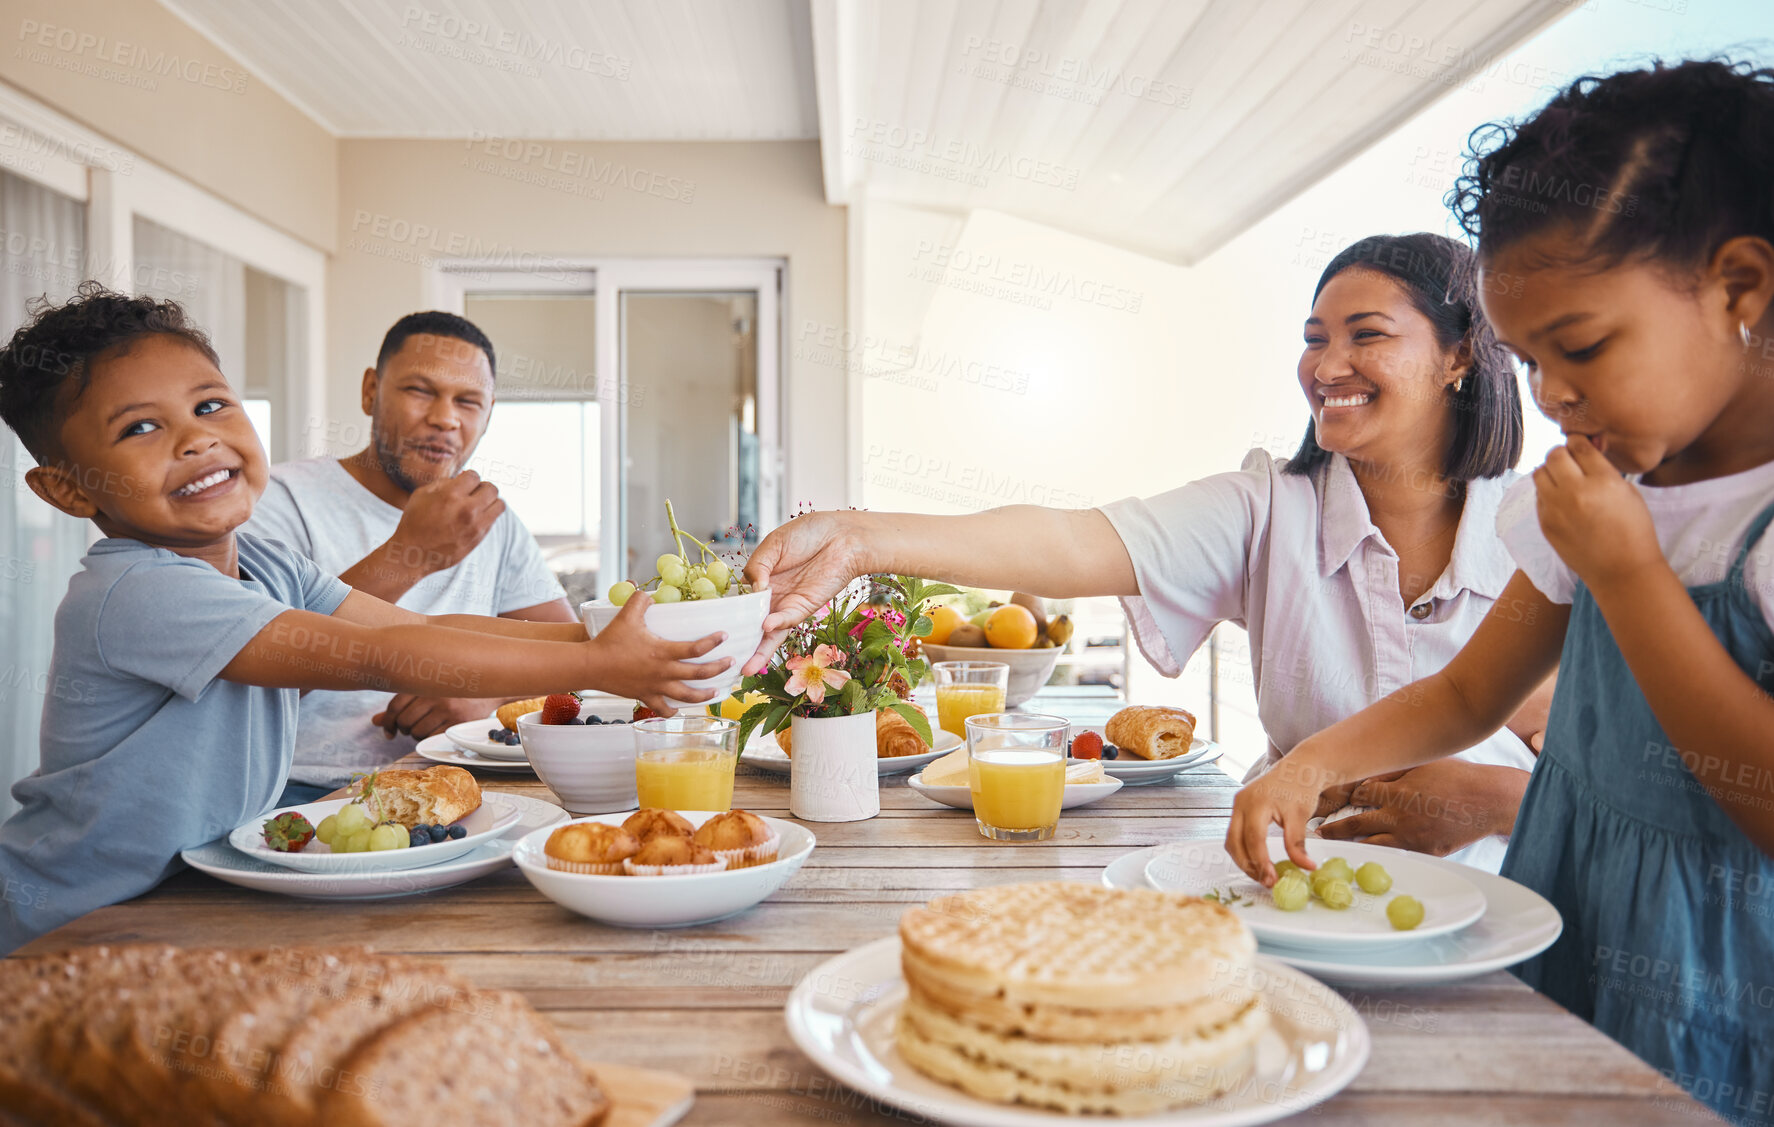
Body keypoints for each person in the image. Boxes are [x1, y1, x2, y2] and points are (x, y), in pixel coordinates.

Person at [1226, 60, 1774, 1124]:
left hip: (1718, 962)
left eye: (1582, 346)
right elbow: (1465, 693)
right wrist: (1310, 762)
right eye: (1528, 362)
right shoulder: (1588, 495)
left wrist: (1629, 573)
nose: (1556, 395)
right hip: (1559, 904)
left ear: (1739, 288)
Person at [745, 232, 1551, 871]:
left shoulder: (1543, 535)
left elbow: (1626, 783)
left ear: (1460, 355)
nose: (1326, 365)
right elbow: (1068, 539)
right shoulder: (1268, 508)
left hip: (1498, 917)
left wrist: (1497, 798)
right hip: (1294, 890)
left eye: (1365, 335)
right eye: (1315, 339)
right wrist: (859, 537)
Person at [0, 284, 724, 954]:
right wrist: (597, 664)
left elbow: (414, 632)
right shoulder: (137, 589)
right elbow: (383, 657)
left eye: (211, 405)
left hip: (187, 894)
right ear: (65, 488)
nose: (196, 439)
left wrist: (598, 634)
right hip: (73, 920)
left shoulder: (266, 561)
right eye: (141, 427)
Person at [246, 311, 572, 801]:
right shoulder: (279, 501)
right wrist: (412, 554)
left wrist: (485, 698)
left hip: (458, 784)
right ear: (370, 391)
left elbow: (574, 665)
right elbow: (244, 683)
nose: (445, 418)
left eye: (467, 401)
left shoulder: (493, 521)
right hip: (299, 788)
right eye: (420, 391)